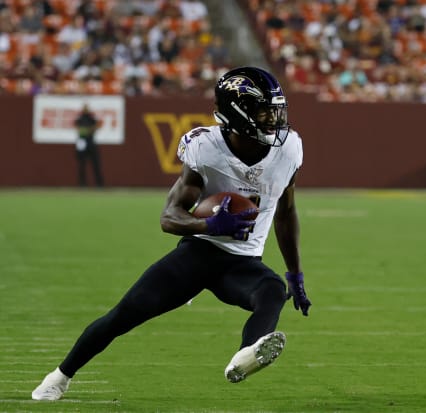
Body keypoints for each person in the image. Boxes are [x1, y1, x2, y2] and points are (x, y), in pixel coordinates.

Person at [32, 66, 312, 401]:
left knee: (272, 289)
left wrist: (294, 273)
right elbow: (169, 217)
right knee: (124, 315)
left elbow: (286, 212)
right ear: (239, 112)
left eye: (277, 109)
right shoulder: (206, 149)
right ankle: (60, 375)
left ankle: (246, 356)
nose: (274, 118)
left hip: (243, 262)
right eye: (265, 110)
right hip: (198, 253)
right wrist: (209, 225)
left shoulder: (289, 149)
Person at [74, 103, 104, 187]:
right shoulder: (80, 119)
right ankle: (82, 183)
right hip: (82, 142)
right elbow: (77, 127)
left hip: (91, 142)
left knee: (96, 164)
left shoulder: (91, 118)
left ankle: (99, 184)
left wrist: (90, 130)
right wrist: (84, 131)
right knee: (82, 164)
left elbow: (97, 125)